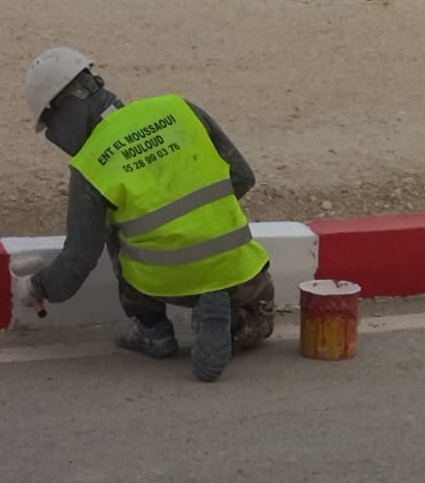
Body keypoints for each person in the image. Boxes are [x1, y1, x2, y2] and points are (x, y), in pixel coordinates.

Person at [19, 48, 275, 383]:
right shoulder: (178, 109)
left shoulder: (91, 164)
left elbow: (78, 259)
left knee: (116, 225)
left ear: (63, 112)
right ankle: (234, 323)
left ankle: (151, 327)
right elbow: (243, 176)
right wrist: (199, 218)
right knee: (263, 319)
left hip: (162, 282)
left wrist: (36, 287)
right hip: (239, 270)